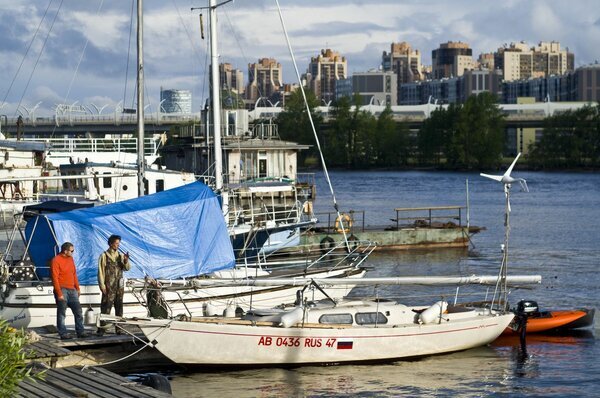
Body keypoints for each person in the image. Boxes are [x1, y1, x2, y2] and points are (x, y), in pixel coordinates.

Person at [50, 242, 88, 339]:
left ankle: (80, 331)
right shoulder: (56, 260)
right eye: (71, 251)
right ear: (65, 251)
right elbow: (55, 278)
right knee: (62, 312)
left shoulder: (71, 259)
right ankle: (63, 333)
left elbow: (74, 274)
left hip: (72, 289)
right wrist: (59, 293)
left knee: (78, 311)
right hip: (62, 289)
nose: (73, 252)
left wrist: (78, 288)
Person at [97, 234, 130, 335]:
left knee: (119, 307)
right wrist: (102, 286)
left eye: (118, 243)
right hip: (108, 286)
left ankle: (119, 328)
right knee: (106, 307)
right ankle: (102, 329)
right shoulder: (104, 255)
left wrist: (126, 261)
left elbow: (127, 268)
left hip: (119, 287)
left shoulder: (120, 256)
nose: (117, 245)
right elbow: (100, 271)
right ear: (111, 243)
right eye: (116, 243)